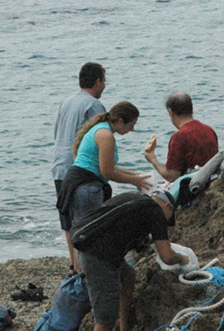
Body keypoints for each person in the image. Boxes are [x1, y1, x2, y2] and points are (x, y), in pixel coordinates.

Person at [71, 190, 189, 331]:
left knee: (128, 276)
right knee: (106, 319)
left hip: (90, 245)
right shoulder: (155, 211)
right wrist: (182, 258)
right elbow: (168, 257)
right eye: (169, 219)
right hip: (98, 256)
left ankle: (125, 328)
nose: (166, 223)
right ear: (167, 206)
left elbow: (120, 228)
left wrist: (148, 241)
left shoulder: (137, 201)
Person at [57, 101, 151, 263]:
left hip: (80, 182)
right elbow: (108, 172)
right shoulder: (105, 135)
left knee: (82, 230)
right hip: (85, 188)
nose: (132, 129)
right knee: (89, 233)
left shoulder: (101, 129)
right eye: (131, 125)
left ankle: (80, 270)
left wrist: (136, 174)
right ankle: (87, 272)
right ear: (120, 121)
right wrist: (135, 181)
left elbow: (107, 166)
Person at [52, 62, 107, 272]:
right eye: (104, 81)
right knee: (86, 221)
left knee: (67, 220)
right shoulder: (94, 105)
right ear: (98, 81)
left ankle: (75, 266)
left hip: (59, 165)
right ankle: (86, 268)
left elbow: (57, 134)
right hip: (79, 169)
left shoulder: (67, 102)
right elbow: (98, 138)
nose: (104, 86)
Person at [143, 93, 218, 182]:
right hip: (210, 180)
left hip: (192, 185)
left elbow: (172, 176)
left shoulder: (179, 137)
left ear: (171, 113)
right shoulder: (209, 130)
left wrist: (153, 159)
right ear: (191, 110)